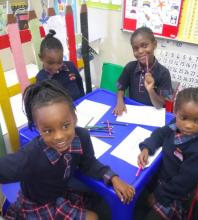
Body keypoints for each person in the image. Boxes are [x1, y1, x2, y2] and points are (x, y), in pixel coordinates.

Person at [0, 80, 135, 219]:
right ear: (37, 128)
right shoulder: (30, 156)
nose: (59, 137)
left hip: (61, 193)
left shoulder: (82, 136)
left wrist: (113, 178)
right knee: (93, 217)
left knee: (98, 199)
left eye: (65, 126)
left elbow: (89, 164)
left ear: (74, 118)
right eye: (48, 131)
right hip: (39, 203)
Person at [137, 87, 198, 220]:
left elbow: (182, 184)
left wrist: (157, 195)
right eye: (184, 118)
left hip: (175, 195)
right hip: (162, 178)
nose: (189, 125)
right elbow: (161, 133)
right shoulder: (176, 124)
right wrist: (147, 148)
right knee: (132, 193)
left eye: (197, 121)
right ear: (175, 112)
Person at [113, 26, 172, 116]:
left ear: (154, 44)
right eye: (135, 48)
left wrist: (150, 90)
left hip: (153, 114)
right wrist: (120, 101)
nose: (140, 51)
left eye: (145, 46)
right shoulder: (130, 67)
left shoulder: (164, 73)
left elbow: (160, 105)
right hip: (132, 112)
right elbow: (120, 87)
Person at [36, 29, 85, 101]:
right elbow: (42, 101)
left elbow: (79, 83)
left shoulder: (71, 66)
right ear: (41, 58)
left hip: (78, 105)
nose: (55, 67)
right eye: (50, 63)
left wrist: (83, 99)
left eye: (59, 62)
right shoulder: (41, 77)